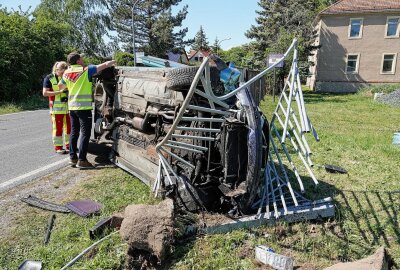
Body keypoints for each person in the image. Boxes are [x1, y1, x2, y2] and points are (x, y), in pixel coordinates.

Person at [58, 52, 116, 169]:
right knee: (85, 133)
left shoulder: (67, 73)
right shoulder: (86, 70)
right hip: (83, 108)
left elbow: (60, 86)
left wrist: (72, 86)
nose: (83, 59)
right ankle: (82, 160)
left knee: (74, 133)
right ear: (78, 61)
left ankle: (73, 158)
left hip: (72, 107)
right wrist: (113, 62)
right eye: (81, 58)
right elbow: (103, 65)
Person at [42, 61, 70, 154]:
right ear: (56, 69)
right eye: (60, 70)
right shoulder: (49, 78)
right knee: (58, 128)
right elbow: (45, 93)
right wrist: (59, 92)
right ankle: (58, 148)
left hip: (68, 108)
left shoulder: (67, 77)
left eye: (64, 70)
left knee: (69, 128)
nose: (62, 72)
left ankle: (69, 146)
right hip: (56, 109)